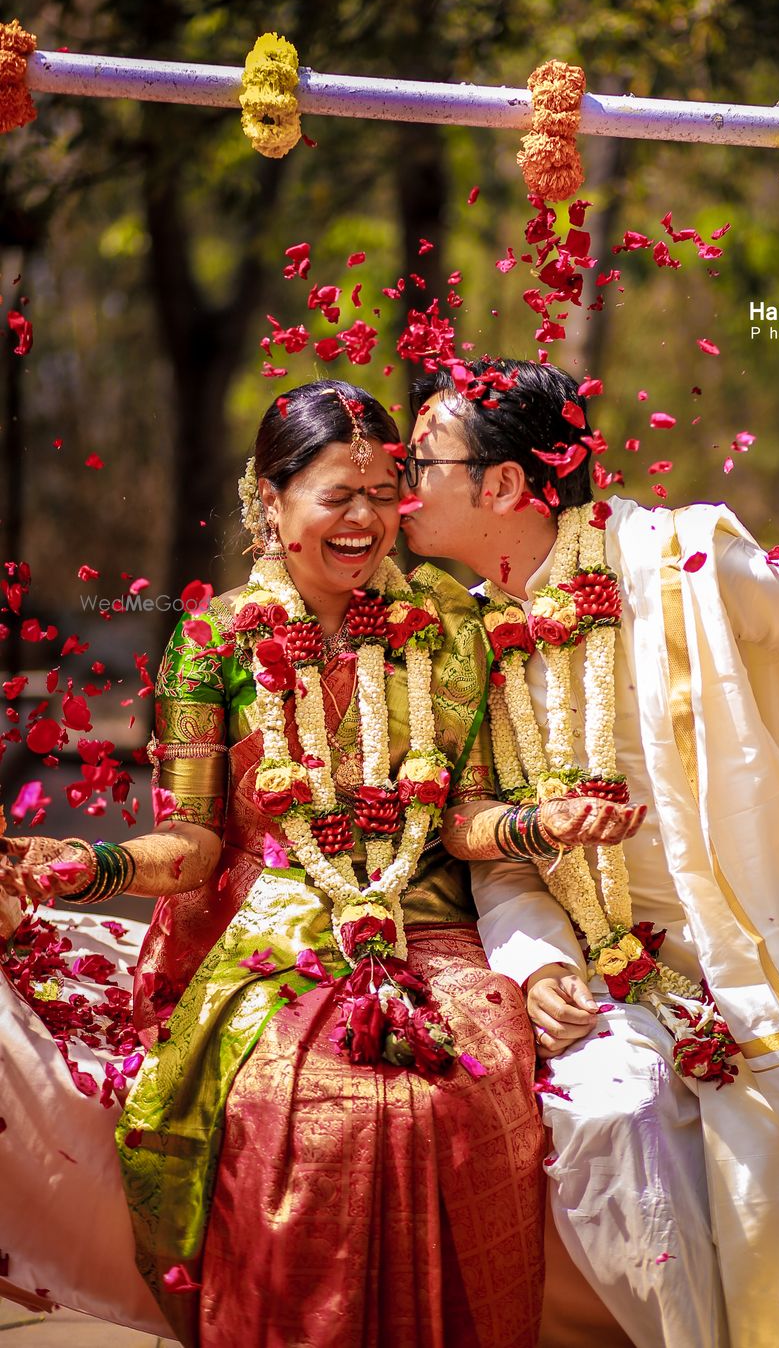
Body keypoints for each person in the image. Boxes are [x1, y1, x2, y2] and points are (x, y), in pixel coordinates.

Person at [1, 379, 641, 1348]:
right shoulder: (215, 643)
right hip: (273, 939)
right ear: (272, 501)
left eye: (387, 492)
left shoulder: (445, 624)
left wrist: (536, 823)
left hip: (427, 934)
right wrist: (83, 867)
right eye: (338, 495)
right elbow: (193, 847)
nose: (368, 519)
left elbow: (460, 818)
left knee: (472, 1088)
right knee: (310, 1116)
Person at [402, 354, 779, 1348]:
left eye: (421, 458)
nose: (398, 475)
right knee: (609, 1131)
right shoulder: (464, 638)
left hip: (759, 947)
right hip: (609, 976)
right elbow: (499, 850)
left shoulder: (677, 564)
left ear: (502, 485)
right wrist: (534, 956)